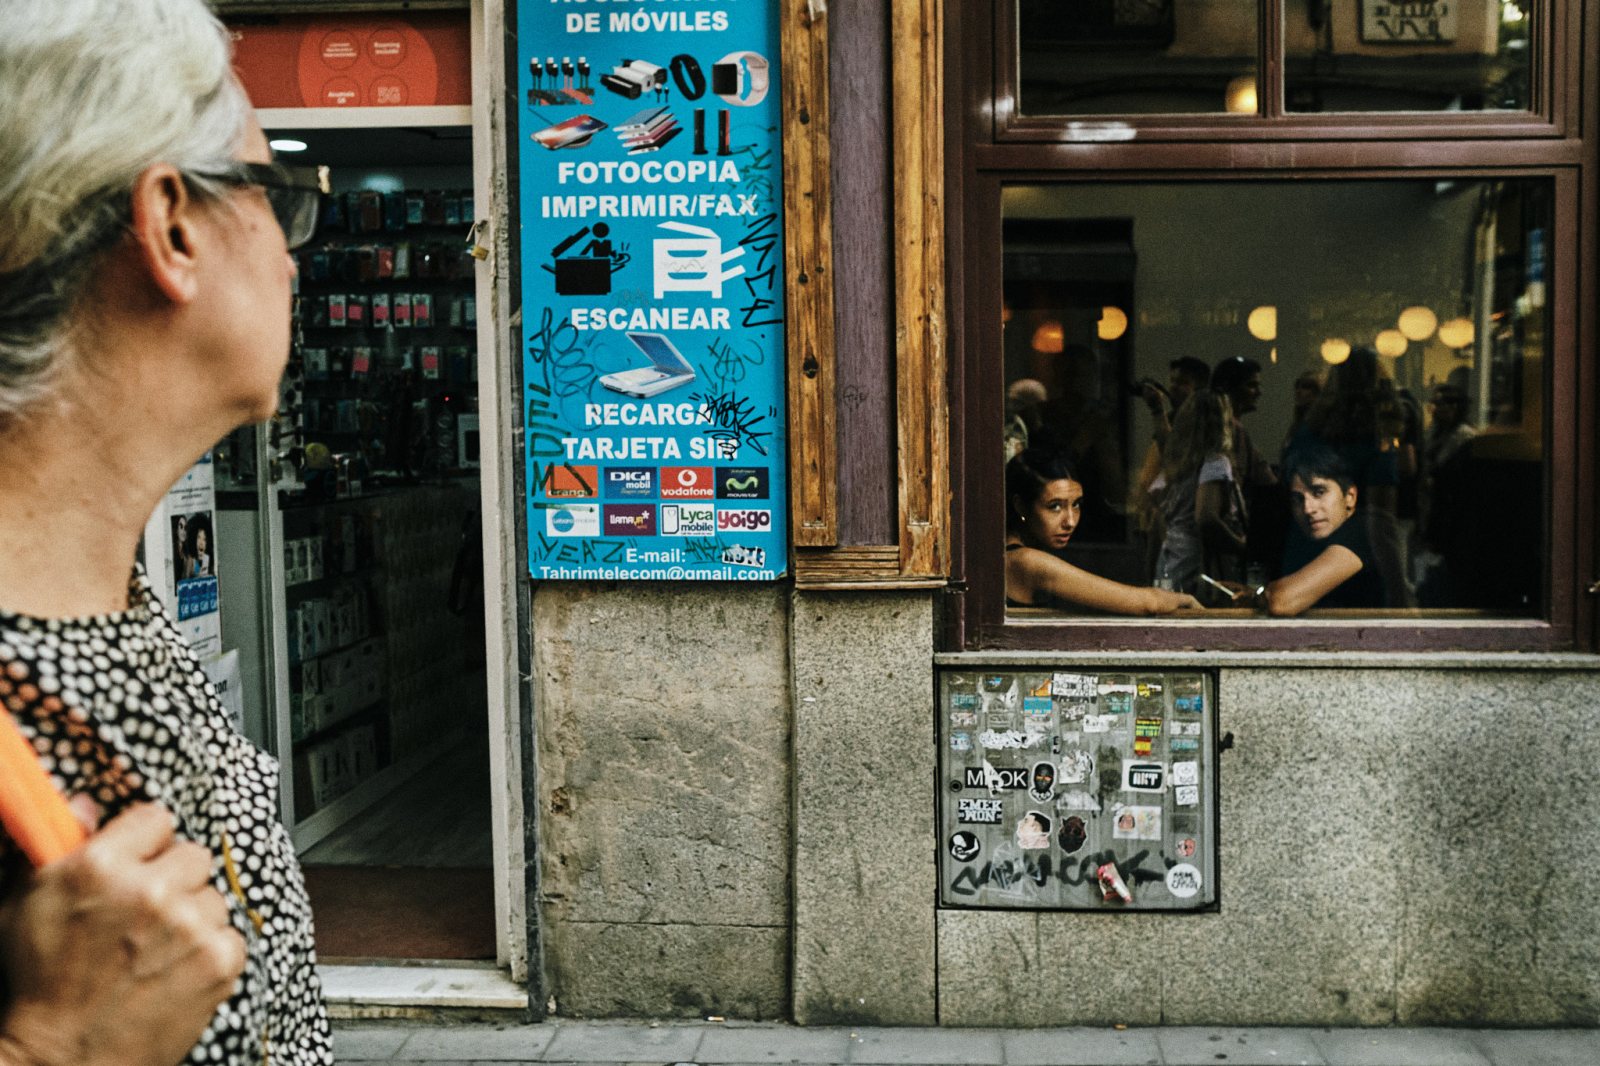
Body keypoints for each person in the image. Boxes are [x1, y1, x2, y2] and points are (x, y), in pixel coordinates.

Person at [0, 1, 333, 1063]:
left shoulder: (114, 604)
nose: (290, 261)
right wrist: (59, 1046)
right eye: (277, 197)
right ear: (172, 225)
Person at [1004, 449, 1200, 615]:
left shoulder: (1016, 555)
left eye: (1077, 504)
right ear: (1021, 506)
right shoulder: (1026, 562)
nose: (1070, 521)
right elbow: (1149, 603)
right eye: (1055, 506)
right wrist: (1189, 601)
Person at [1242, 446, 1384, 616]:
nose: (1308, 509)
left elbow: (1282, 601)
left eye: (1319, 492)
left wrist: (1256, 596)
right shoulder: (1307, 538)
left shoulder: (1362, 531)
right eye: (1298, 499)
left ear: (1350, 497)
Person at [1148, 390, 1247, 596]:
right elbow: (1206, 518)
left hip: (1170, 559)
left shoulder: (1180, 467)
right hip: (1198, 565)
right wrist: (1241, 546)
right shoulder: (1216, 463)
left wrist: (1157, 411)